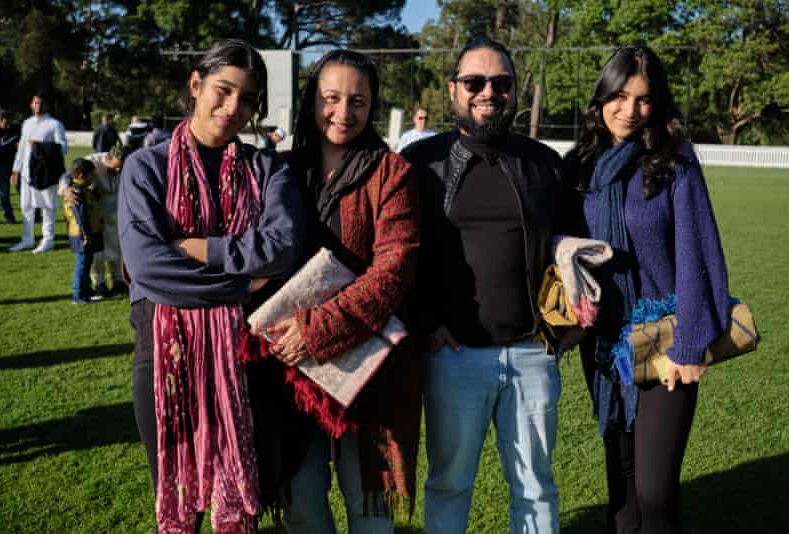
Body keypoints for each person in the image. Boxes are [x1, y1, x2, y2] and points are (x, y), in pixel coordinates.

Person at [117, 39, 305, 533]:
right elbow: (147, 267)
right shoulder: (146, 168)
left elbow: (282, 248)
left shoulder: (269, 170)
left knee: (237, 500)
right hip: (163, 359)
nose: (233, 108)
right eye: (223, 91)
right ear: (196, 84)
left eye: (247, 100)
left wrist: (201, 248)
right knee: (179, 499)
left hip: (244, 364)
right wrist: (244, 285)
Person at [401, 36, 576, 534]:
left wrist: (574, 320)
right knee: (450, 483)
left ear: (515, 91)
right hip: (454, 357)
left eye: (501, 83)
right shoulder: (422, 164)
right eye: (474, 82)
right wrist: (427, 323)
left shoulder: (543, 163)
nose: (488, 92)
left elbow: (574, 244)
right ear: (453, 89)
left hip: (532, 354)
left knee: (536, 486)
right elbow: (400, 253)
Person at [562, 46, 730, 534]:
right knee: (622, 489)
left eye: (642, 99)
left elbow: (699, 252)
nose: (629, 110)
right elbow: (560, 242)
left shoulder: (673, 162)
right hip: (604, 345)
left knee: (655, 492)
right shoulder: (580, 166)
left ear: (658, 104)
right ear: (602, 98)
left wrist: (692, 344)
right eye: (619, 96)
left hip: (666, 339)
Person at [257, 49, 421, 534]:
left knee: (370, 508)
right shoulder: (280, 170)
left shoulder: (391, 174)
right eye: (331, 98)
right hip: (288, 369)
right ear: (312, 100)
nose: (343, 113)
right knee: (302, 505)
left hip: (366, 369)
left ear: (373, 107)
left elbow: (394, 269)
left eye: (358, 101)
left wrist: (318, 329)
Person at [60, 144, 130, 296]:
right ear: (107, 159)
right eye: (114, 168)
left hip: (117, 209)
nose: (118, 171)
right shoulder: (92, 161)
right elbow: (68, 175)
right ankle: (99, 283)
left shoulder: (127, 164)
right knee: (96, 252)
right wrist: (66, 189)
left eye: (121, 168)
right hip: (94, 211)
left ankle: (118, 281)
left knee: (117, 247)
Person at [8, 92, 67, 253]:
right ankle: (27, 239)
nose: (38, 106)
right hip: (27, 172)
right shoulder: (27, 123)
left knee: (48, 206)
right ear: (31, 105)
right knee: (25, 205)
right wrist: (15, 170)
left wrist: (40, 146)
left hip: (45, 172)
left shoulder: (55, 124)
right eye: (35, 103)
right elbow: (21, 147)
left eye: (41, 103)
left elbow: (63, 147)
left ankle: (48, 239)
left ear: (46, 105)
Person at [61, 158, 104, 304]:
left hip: (87, 233)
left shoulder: (83, 189)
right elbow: (80, 217)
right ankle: (78, 295)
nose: (94, 178)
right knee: (82, 264)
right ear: (81, 175)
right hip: (82, 235)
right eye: (91, 175)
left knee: (87, 263)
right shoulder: (76, 192)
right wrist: (86, 235)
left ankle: (87, 291)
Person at [0, 110, 20, 223]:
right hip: (0, 166)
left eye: (9, 122)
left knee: (24, 192)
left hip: (16, 164)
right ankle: (9, 217)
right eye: (6, 123)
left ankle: (34, 217)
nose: (8, 126)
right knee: (4, 194)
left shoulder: (16, 128)